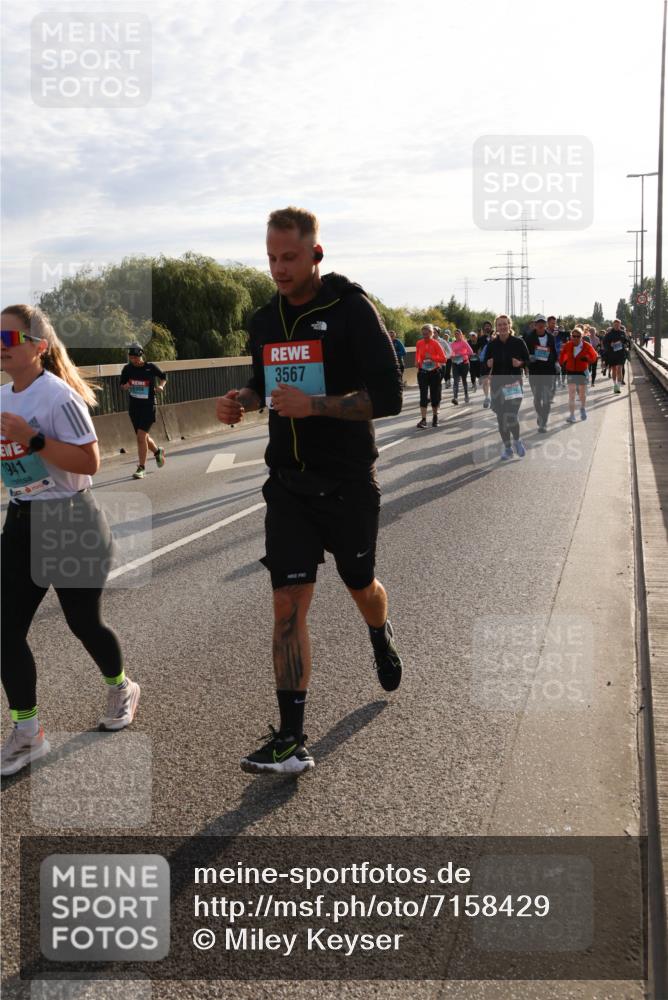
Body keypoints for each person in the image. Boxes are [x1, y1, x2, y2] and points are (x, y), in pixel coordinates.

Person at [215, 207, 403, 776]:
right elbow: (262, 382)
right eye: (270, 257)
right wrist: (241, 401)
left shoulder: (349, 309)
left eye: (289, 257)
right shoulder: (265, 319)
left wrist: (318, 405)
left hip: (347, 484)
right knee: (287, 606)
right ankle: (292, 739)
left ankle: (379, 630)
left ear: (316, 255)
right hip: (288, 488)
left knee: (361, 586)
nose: (278, 268)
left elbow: (390, 396)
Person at [1, 305, 140, 776]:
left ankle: (121, 686)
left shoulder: (58, 397)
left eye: (8, 336)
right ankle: (28, 732)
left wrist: (32, 438)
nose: (0, 345)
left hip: (69, 521)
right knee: (4, 631)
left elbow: (89, 462)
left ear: (38, 346)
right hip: (21, 521)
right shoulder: (3, 396)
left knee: (83, 623)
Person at [485, 314, 530, 459]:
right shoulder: (492, 345)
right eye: (499, 325)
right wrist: (487, 364)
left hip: (513, 384)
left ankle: (517, 440)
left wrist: (521, 364)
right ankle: (508, 448)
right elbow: (484, 363)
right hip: (497, 385)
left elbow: (528, 359)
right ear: (496, 327)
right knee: (501, 418)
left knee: (511, 416)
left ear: (510, 325)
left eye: (505, 324)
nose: (502, 327)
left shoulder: (518, 342)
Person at [119, 344, 167, 479]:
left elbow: (163, 376)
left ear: (141, 355)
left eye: (135, 357)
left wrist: (161, 386)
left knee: (140, 437)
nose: (133, 360)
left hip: (148, 406)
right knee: (143, 437)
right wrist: (125, 386)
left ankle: (141, 468)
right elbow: (121, 384)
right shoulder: (127, 369)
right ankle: (158, 452)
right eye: (131, 357)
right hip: (134, 407)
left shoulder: (150, 367)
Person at [524, 314, 558, 432]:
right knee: (537, 398)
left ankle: (543, 422)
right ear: (535, 324)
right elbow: (524, 354)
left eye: (542, 322)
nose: (540, 325)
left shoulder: (551, 337)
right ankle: (540, 414)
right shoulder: (529, 338)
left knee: (547, 398)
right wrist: (529, 357)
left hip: (548, 371)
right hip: (535, 371)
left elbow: (554, 352)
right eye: (538, 322)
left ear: (545, 324)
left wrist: (556, 362)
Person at [559, 325, 598, 422]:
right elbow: (562, 355)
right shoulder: (568, 345)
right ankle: (572, 416)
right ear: (571, 336)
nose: (575, 338)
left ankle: (582, 408)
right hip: (571, 371)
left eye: (578, 336)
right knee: (571, 394)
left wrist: (587, 359)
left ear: (581, 336)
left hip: (582, 372)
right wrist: (563, 363)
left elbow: (594, 356)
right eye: (574, 336)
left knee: (581, 394)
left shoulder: (586, 345)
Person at [415, 324, 448, 427]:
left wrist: (432, 357)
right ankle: (423, 420)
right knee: (423, 396)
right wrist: (417, 362)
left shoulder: (436, 344)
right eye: (423, 333)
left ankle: (435, 418)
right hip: (423, 372)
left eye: (427, 333)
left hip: (434, 372)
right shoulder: (419, 343)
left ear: (431, 333)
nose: (425, 335)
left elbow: (444, 359)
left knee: (434, 396)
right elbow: (417, 355)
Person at [602, 320, 630, 394]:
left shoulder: (623, 333)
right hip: (612, 354)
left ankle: (618, 386)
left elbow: (627, 341)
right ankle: (615, 385)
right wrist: (610, 344)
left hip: (621, 353)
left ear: (620, 325)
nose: (617, 326)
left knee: (620, 369)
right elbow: (604, 343)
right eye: (615, 325)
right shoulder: (609, 334)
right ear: (613, 325)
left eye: (618, 325)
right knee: (614, 369)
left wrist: (625, 344)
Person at [449, 329, 474, 405]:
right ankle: (455, 397)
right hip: (455, 364)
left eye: (458, 334)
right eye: (455, 334)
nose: (457, 335)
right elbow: (449, 353)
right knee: (455, 381)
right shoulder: (452, 344)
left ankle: (466, 395)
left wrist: (462, 355)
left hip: (464, 363)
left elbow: (471, 352)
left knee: (464, 380)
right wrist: (452, 356)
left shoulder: (464, 342)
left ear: (461, 335)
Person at [477, 321, 493, 409]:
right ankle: (487, 397)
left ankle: (493, 397)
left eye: (489, 326)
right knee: (485, 381)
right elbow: (478, 350)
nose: (487, 328)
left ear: (491, 327)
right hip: (484, 362)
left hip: (495, 361)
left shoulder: (496, 336)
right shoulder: (481, 338)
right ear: (483, 328)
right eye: (485, 326)